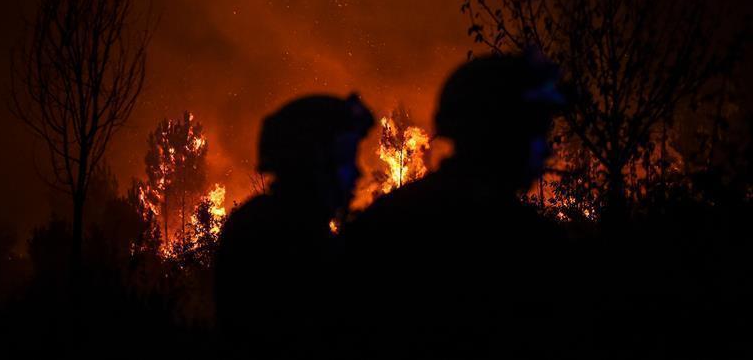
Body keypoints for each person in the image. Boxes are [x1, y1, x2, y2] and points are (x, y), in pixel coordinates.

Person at [345, 52, 574, 358]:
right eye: (534, 130)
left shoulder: (382, 224)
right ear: (501, 133)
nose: (546, 150)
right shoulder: (531, 245)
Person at [214, 94, 374, 359]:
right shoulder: (281, 238)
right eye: (345, 159)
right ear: (314, 161)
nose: (358, 173)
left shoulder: (267, 223)